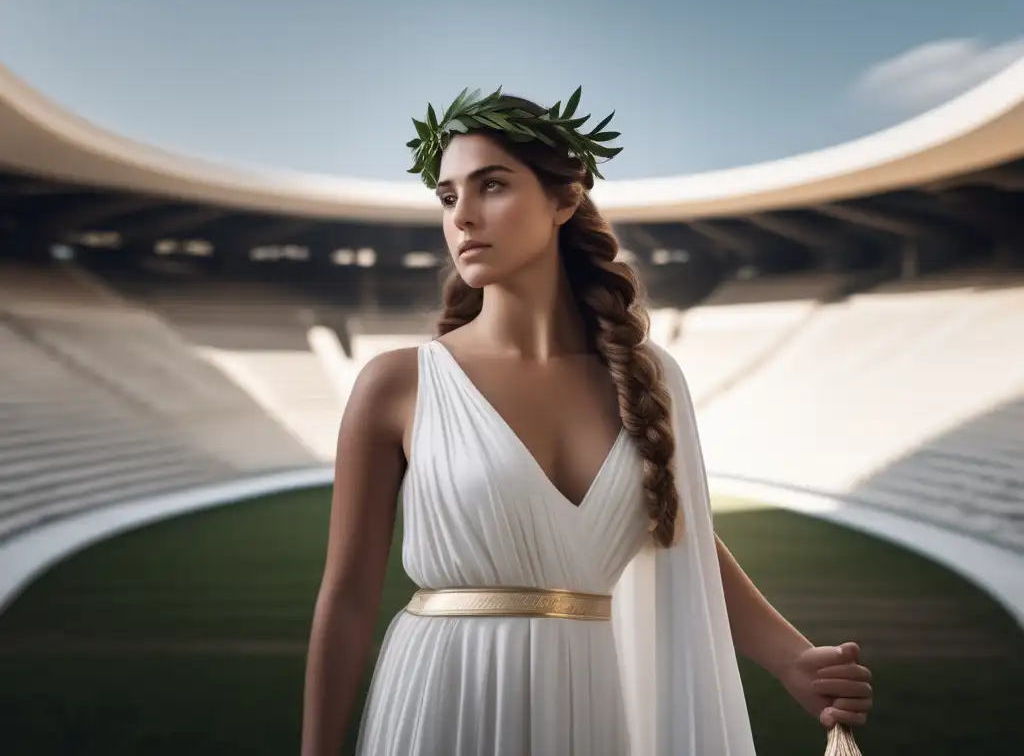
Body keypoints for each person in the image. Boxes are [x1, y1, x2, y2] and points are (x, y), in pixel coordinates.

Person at [300, 88, 874, 755]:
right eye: (448, 196)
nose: (464, 217)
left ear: (564, 200)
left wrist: (790, 658)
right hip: (441, 692)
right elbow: (345, 597)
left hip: (591, 701)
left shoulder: (647, 378)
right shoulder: (396, 384)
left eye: (492, 186)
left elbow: (679, 533)